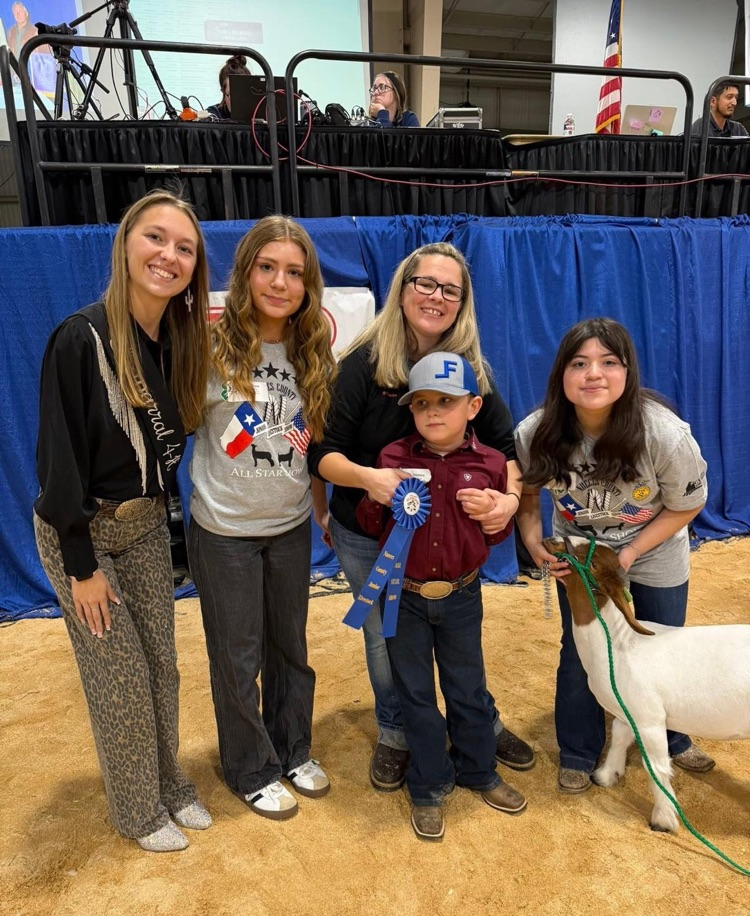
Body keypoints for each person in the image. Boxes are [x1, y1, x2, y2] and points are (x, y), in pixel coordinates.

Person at [308, 242, 535, 793]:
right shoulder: (363, 364)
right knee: (386, 640)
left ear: (462, 302)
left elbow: (508, 451)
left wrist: (508, 500)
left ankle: (478, 722)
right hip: (368, 529)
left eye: (449, 289)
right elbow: (322, 452)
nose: (436, 297)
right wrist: (370, 480)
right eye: (425, 284)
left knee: (460, 647)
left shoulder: (471, 369)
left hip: (445, 540)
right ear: (403, 288)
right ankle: (396, 731)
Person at [33, 190, 213, 853]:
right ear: (126, 244)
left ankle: (170, 783)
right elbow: (57, 464)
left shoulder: (177, 344)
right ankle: (137, 811)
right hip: (78, 532)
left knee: (162, 666)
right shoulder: (78, 340)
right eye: (156, 238)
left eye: (184, 248)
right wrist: (81, 567)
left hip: (141, 528)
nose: (168, 255)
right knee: (122, 678)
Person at [513, 317, 715, 794]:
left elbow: (689, 503)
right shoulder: (535, 432)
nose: (593, 374)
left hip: (652, 553)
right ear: (561, 374)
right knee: (581, 652)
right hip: (581, 557)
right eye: (579, 363)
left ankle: (673, 735)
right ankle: (580, 750)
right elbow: (526, 496)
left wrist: (629, 555)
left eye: (608, 362)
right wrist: (535, 545)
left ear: (628, 373)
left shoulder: (664, 434)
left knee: (661, 647)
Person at [188, 216, 335, 821]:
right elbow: (178, 428)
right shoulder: (209, 347)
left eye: (294, 272)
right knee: (238, 655)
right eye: (267, 267)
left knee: (290, 648)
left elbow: (315, 445)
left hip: (290, 525)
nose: (280, 282)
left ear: (308, 284)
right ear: (246, 272)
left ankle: (292, 747)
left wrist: (322, 511)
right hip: (225, 532)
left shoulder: (311, 351)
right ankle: (249, 766)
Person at [356, 352, 528, 841]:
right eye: (422, 403)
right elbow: (375, 528)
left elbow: (494, 539)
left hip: (461, 596)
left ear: (473, 406)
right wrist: (374, 498)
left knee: (467, 686)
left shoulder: (492, 465)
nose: (433, 412)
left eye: (446, 402)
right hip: (403, 598)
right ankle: (429, 784)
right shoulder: (391, 459)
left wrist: (494, 513)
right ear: (410, 410)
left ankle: (479, 771)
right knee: (414, 693)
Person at [205, 53, 251, 121]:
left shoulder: (261, 116)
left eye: (243, 93)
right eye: (232, 94)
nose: (238, 100)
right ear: (223, 91)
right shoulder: (213, 115)